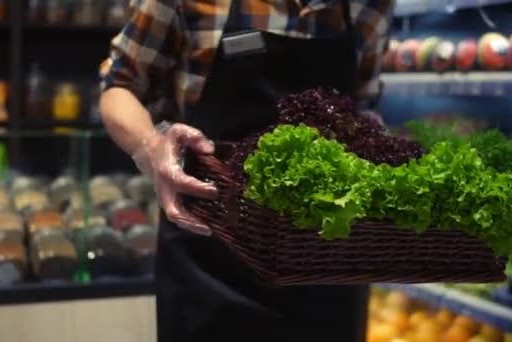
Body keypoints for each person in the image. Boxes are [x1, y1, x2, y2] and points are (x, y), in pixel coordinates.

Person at [99, 0, 395, 341]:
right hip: (211, 266)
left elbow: (364, 103)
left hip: (331, 266)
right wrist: (152, 147)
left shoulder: (369, 6)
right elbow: (120, 82)